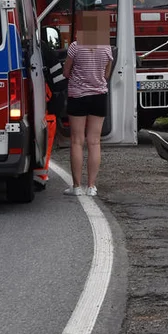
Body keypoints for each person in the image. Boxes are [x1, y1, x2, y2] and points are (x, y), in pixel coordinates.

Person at [62, 10, 115, 197]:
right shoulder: (106, 48)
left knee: (77, 141)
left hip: (78, 96)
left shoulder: (75, 47)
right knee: (94, 141)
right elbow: (106, 75)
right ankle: (92, 186)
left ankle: (76, 187)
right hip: (99, 96)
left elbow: (66, 73)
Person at [35, 31, 68, 190]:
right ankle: (39, 176)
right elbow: (59, 82)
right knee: (45, 140)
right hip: (45, 108)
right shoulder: (42, 48)